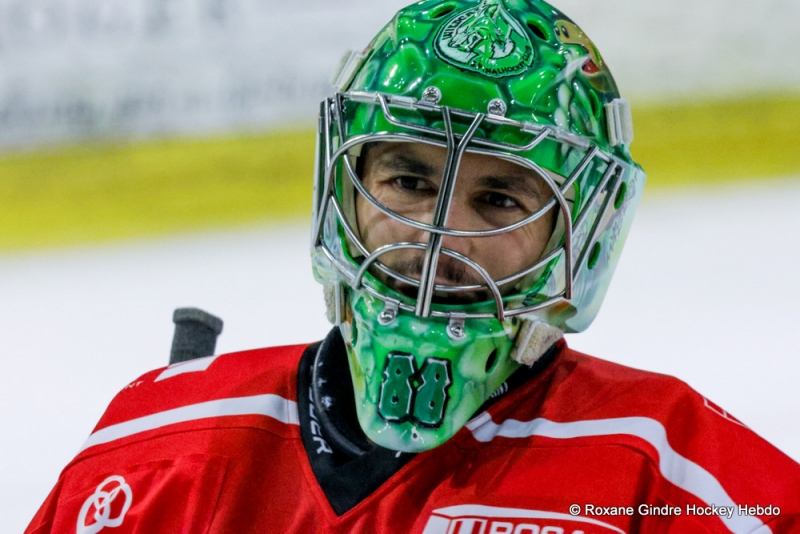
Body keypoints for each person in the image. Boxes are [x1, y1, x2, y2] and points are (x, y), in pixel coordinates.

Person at [26, 1, 800, 533]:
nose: (438, 238)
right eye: (408, 181)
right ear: (346, 192)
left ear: (579, 238)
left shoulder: (668, 478)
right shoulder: (157, 451)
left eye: (500, 198)